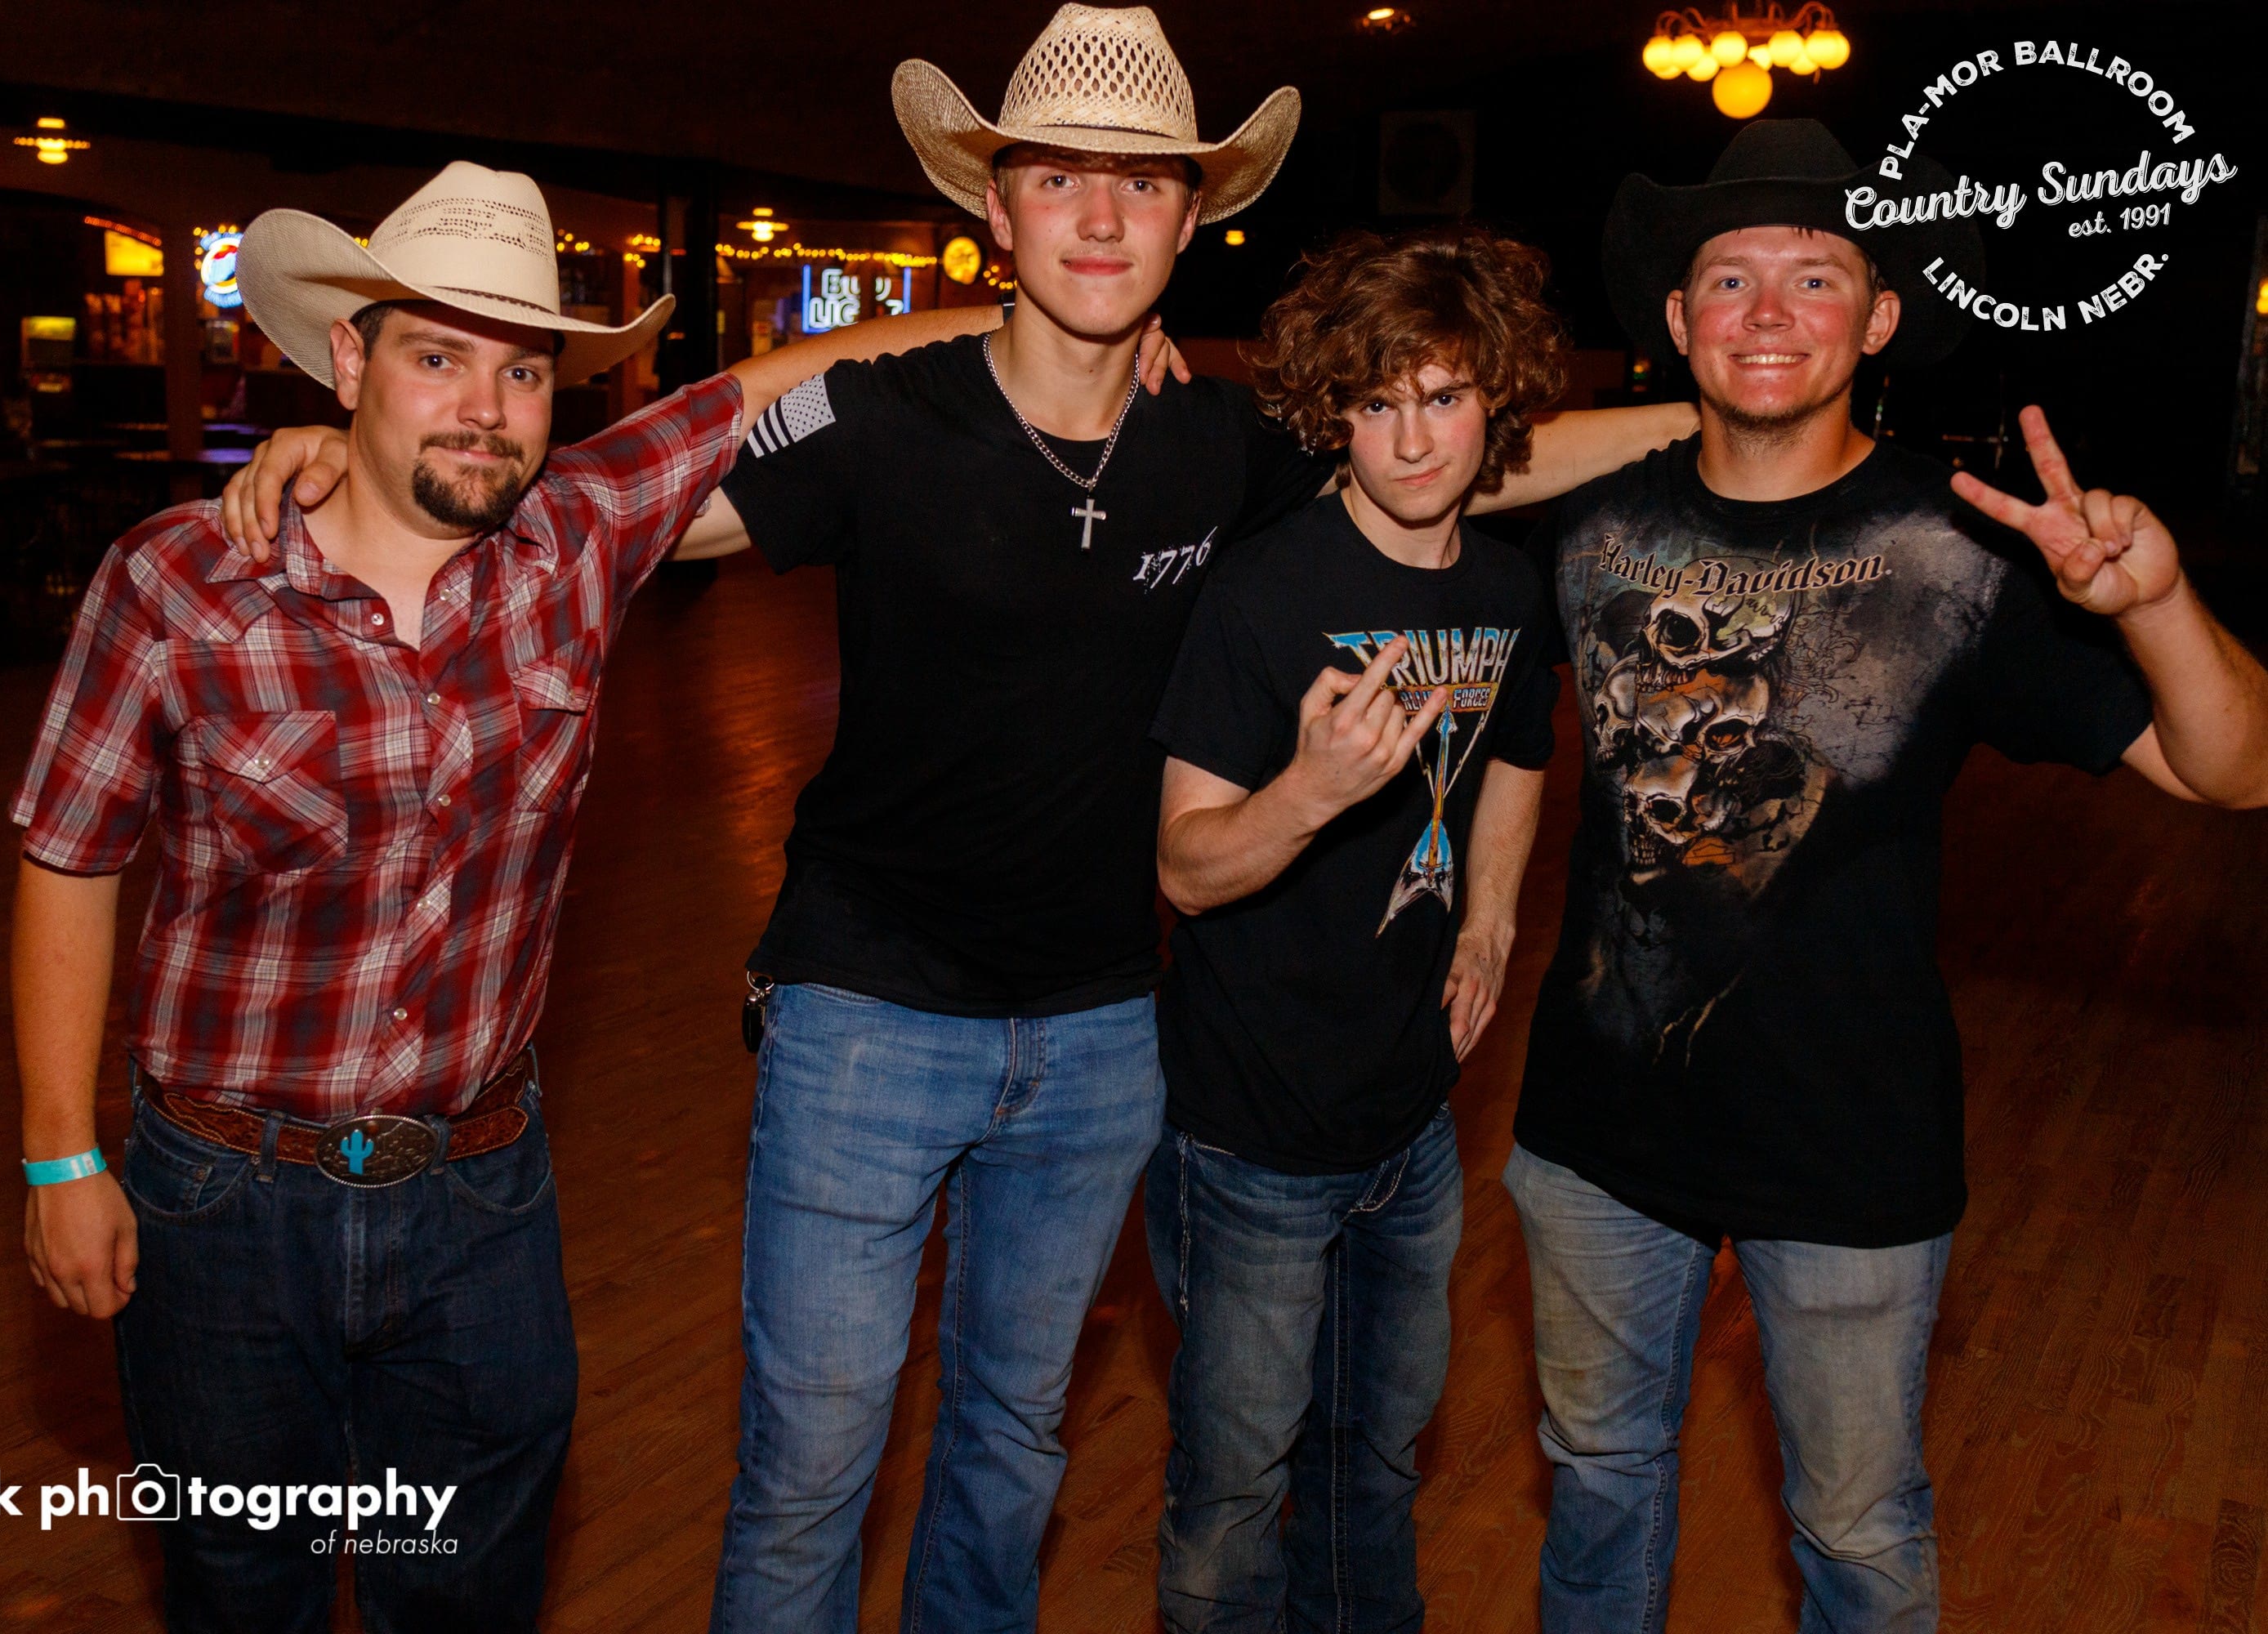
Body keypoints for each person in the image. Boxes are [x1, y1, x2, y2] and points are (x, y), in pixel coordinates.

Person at [220, 12, 1690, 1627]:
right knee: (811, 1462)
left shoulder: (1220, 441)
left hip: (1103, 1033)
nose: (1103, 219)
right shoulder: (888, 414)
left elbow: (1474, 459)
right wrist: (361, 459)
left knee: (1010, 1445)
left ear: (1190, 219)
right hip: (866, 1016)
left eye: (1143, 186)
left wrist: (1729, 429)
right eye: (1059, 180)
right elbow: (604, 516)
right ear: (996, 209)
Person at [11, 158, 1059, 1634]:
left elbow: (778, 382)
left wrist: (1045, 327)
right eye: (437, 358)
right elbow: (70, 857)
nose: (483, 407)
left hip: (479, 1195)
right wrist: (60, 1159)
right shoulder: (180, 581)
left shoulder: (574, 535)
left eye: (521, 372)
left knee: (473, 1593)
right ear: (350, 363)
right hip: (226, 1202)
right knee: (241, 1591)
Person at [1505, 118, 2268, 1633]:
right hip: (1597, 1133)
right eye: (1731, 281)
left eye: (1815, 279)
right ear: (1680, 319)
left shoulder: (1959, 553)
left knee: (1858, 1534)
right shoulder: (1593, 523)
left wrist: (2160, 603)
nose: (1769, 313)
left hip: (1850, 1143)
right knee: (1596, 1480)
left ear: (1880, 320)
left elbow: (2236, 770)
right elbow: (1418, 467)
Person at [1146, 224, 1567, 1632]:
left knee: (1376, 1469)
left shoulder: (1506, 589)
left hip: (1413, 1128)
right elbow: (1187, 868)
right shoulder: (1264, 592)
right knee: (1232, 1496)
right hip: (1250, 1138)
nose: (1414, 439)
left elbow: (1520, 749)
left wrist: (1492, 917)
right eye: (1378, 403)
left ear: (1496, 399)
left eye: (1443, 396)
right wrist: (1309, 794)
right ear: (1336, 412)